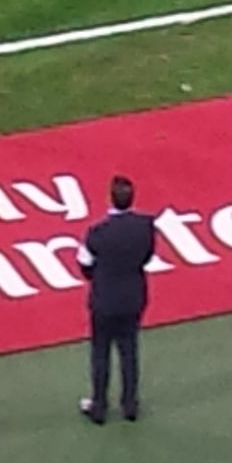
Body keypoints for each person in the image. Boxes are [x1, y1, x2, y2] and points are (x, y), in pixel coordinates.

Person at [76, 175, 156, 425]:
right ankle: (130, 405)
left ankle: (98, 406)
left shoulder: (98, 232)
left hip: (104, 300)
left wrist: (100, 277)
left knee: (101, 352)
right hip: (134, 297)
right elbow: (147, 256)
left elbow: (84, 264)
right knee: (129, 349)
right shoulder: (145, 225)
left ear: (110, 198)